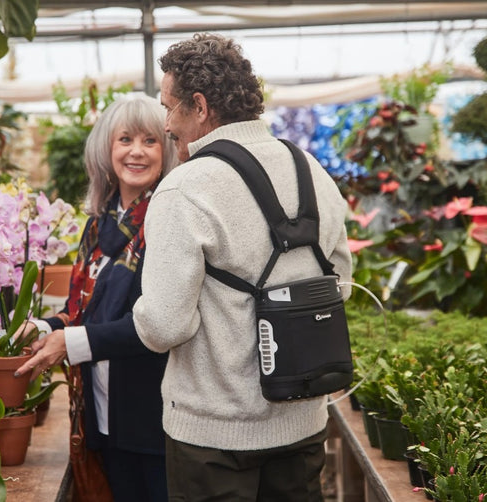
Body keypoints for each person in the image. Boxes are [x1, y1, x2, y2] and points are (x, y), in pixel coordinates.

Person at [132, 33, 352, 501]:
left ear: (199, 105)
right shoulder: (310, 167)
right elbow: (341, 284)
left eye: (169, 108)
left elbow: (164, 326)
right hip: (304, 421)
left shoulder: (183, 188)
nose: (167, 125)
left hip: (215, 438)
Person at [15, 94, 178, 502]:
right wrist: (43, 327)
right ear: (108, 150)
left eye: (150, 140)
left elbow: (156, 324)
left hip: (153, 420)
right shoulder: (98, 224)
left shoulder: (170, 220)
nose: (136, 151)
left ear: (167, 150)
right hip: (103, 417)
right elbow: (83, 313)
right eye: (125, 139)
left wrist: (68, 343)